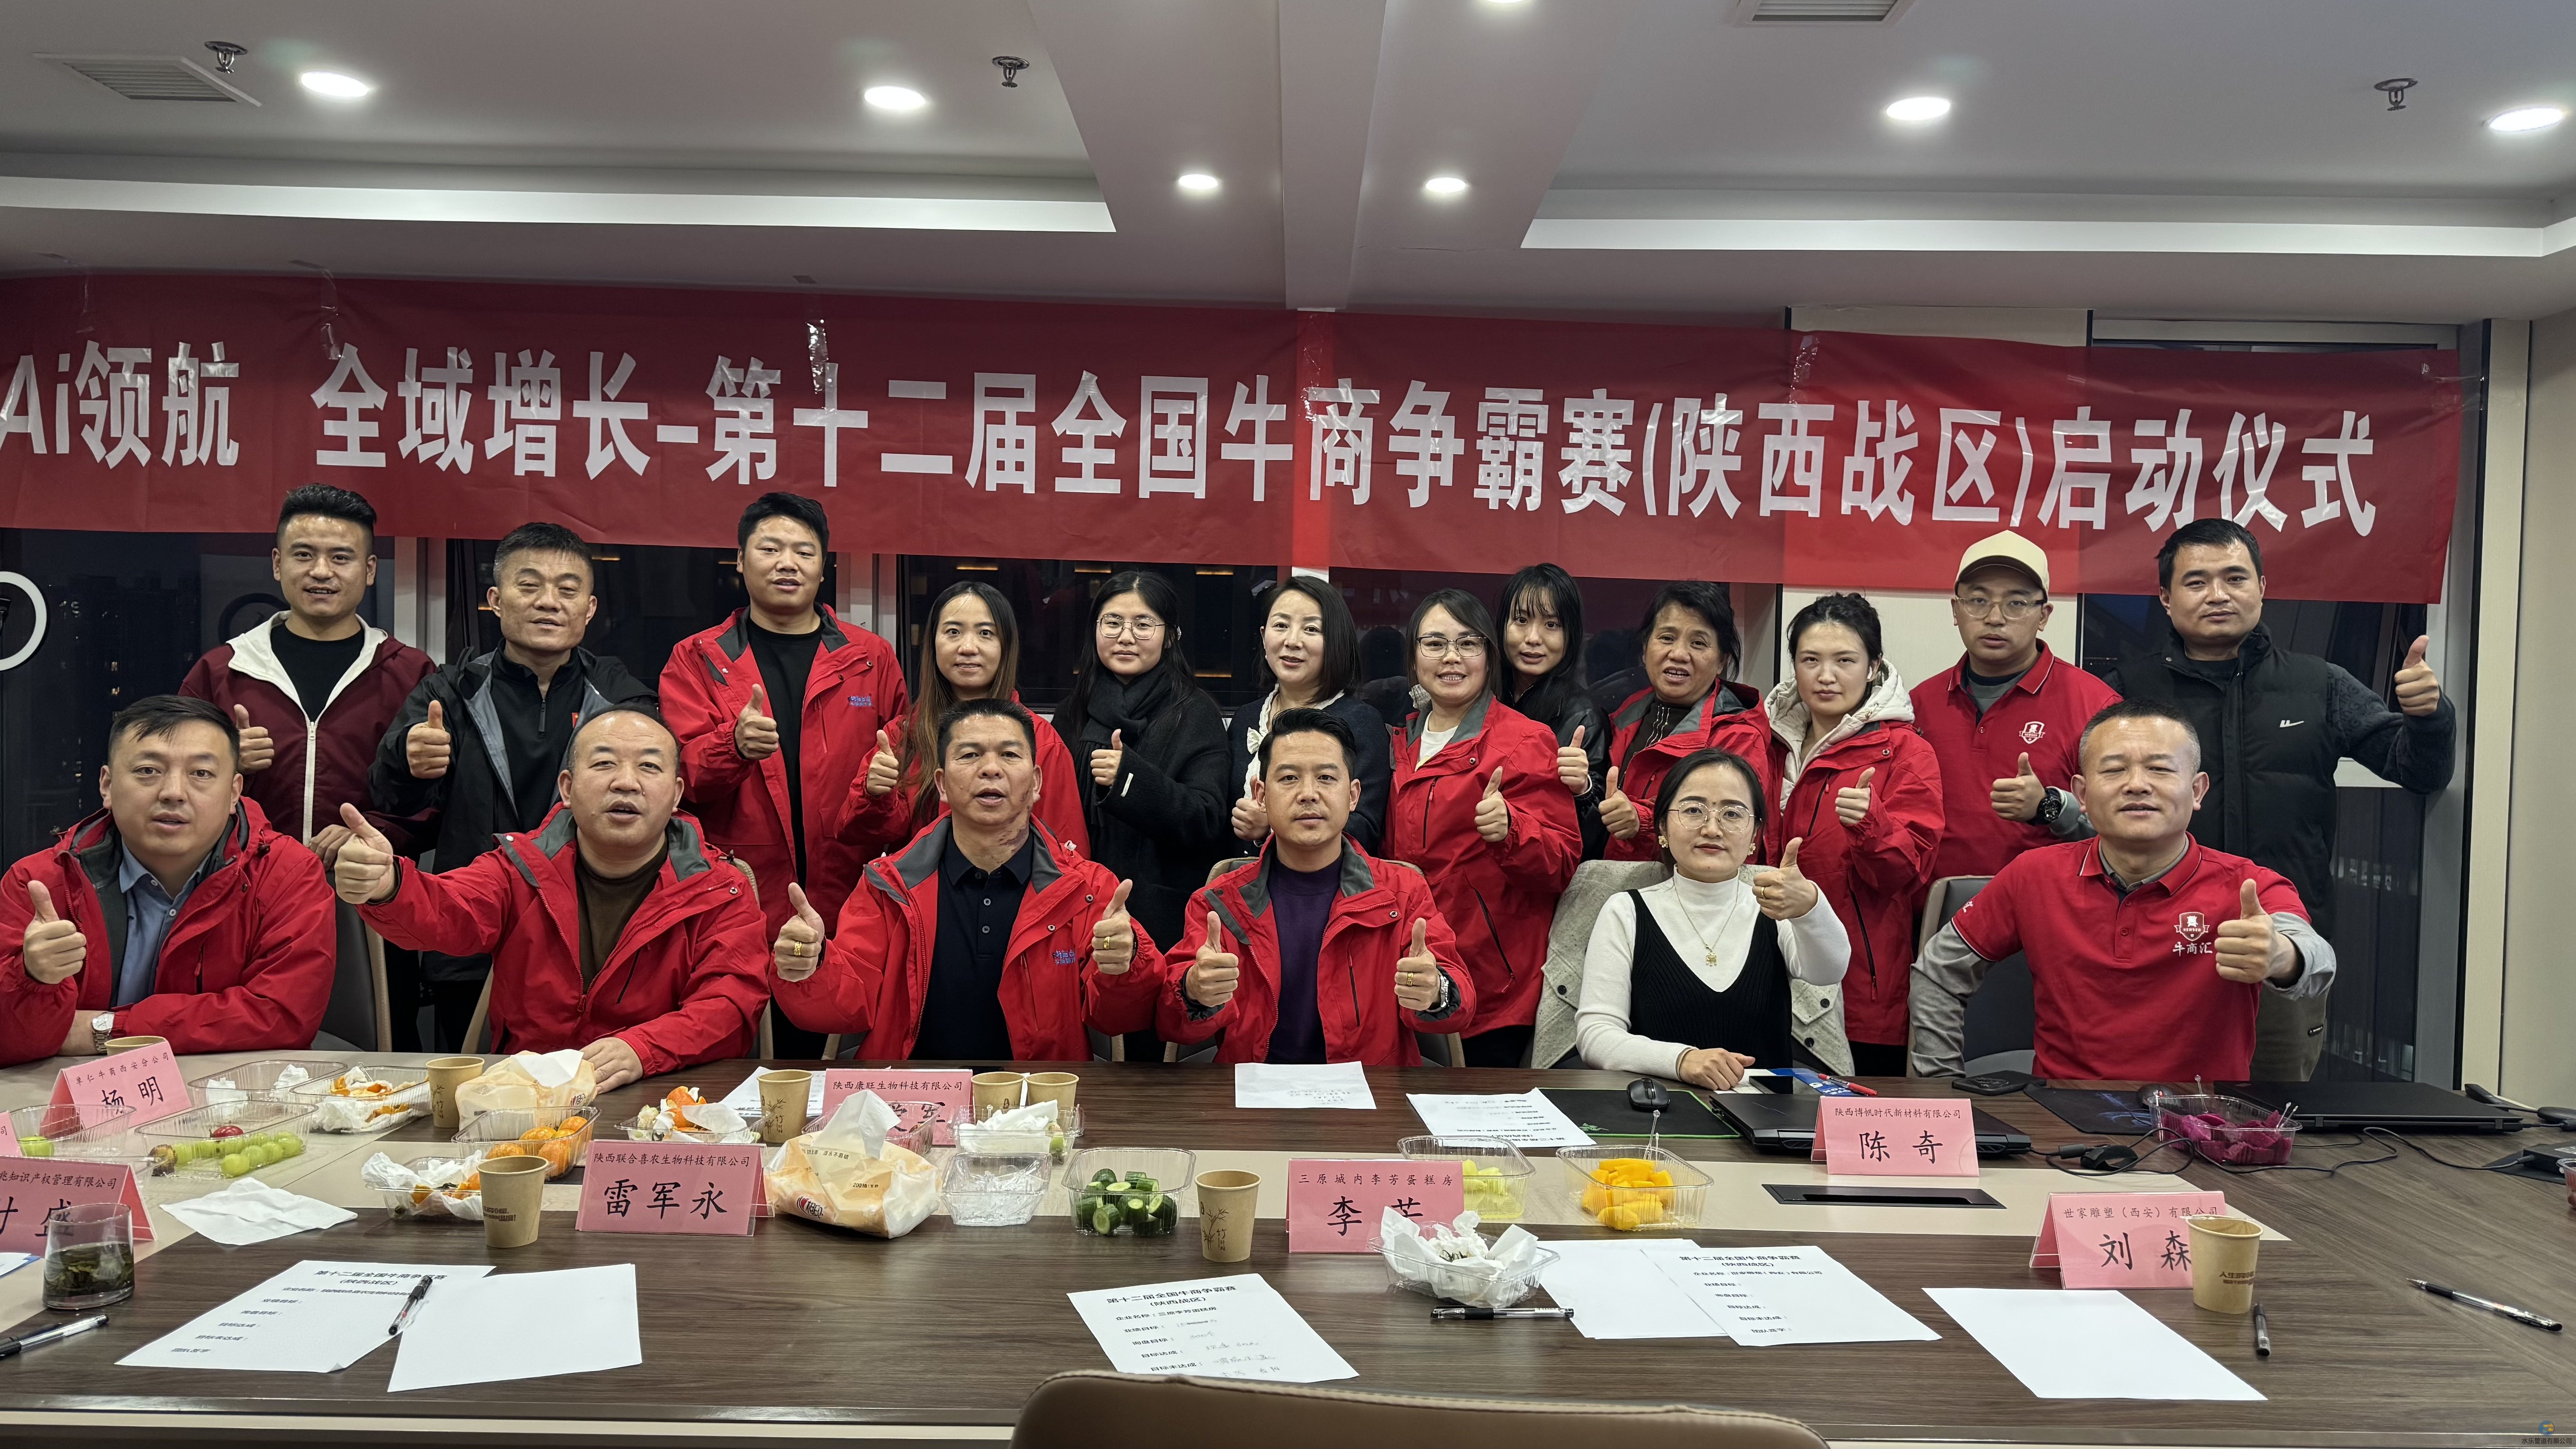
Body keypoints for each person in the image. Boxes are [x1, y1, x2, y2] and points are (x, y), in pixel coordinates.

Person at [2102, 517, 2452, 1081]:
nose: (2218, 594)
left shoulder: (2321, 684)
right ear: (2166, 598)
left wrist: (2428, 717)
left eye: (2235, 578)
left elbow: (2418, 770)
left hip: (2282, 951)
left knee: (2274, 1118)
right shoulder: (2126, 693)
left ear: (2263, 587)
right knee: (2140, 1110)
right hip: (2156, 950)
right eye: (2196, 582)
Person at [336, 707, 768, 1089]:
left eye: (649, 767)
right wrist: (390, 884)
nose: (626, 782)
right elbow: (449, 910)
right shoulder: (520, 867)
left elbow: (730, 1007)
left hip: (667, 1098)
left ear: (675, 795)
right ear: (567, 787)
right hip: (530, 1099)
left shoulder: (719, 888)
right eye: (604, 763)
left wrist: (642, 1049)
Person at [1910, 701, 2336, 1084]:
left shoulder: (2249, 885)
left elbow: (2319, 961)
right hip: (2059, 1119)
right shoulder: (2033, 875)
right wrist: (1941, 1090)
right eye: (2114, 770)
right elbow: (1937, 972)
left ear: (2197, 790)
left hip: (2199, 1122)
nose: (2137, 784)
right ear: (2082, 794)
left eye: (2160, 769)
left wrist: (2283, 956)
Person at [370, 522, 656, 1050]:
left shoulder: (621, 698)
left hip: (585, 939)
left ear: (589, 609)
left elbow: (655, 794)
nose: (549, 602)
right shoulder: (450, 691)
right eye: (530, 586)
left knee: (581, 1086)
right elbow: (391, 800)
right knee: (472, 1087)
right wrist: (408, 761)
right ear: (496, 601)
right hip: (470, 934)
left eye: (567, 589)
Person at [179, 485, 439, 1048]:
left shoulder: (411, 673)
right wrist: (220, 765)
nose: (322, 571)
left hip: (368, 901)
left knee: (379, 1057)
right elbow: (172, 789)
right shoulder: (223, 671)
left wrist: (370, 834)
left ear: (369, 570)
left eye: (341, 557)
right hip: (239, 899)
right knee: (236, 1047)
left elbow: (438, 804)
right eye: (304, 555)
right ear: (278, 564)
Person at [769, 699, 1161, 1060]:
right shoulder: (889, 885)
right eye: (970, 754)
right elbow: (845, 1005)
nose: (991, 769)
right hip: (910, 1101)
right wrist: (810, 965)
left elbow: (1122, 1017)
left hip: (1039, 1103)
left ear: (1037, 782)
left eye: (1009, 754)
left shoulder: (1087, 889)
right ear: (941, 784)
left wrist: (1124, 966)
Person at [660, 493, 906, 1058]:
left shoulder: (871, 658)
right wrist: (732, 747)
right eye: (770, 549)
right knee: (740, 1066)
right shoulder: (696, 658)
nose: (787, 563)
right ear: (740, 561)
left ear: (824, 567)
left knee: (839, 1065)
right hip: (737, 898)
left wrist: (881, 792)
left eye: (804, 551)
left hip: (850, 897)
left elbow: (900, 797)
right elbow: (679, 782)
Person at [0, 696, 336, 1065]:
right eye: (148, 770)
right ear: (107, 785)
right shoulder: (40, 883)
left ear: (234, 792)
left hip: (229, 1092)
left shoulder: (288, 874)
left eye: (201, 773)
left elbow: (282, 1016)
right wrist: (30, 976)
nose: (174, 792)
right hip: (69, 1096)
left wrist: (106, 1030)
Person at [1159, 709, 1474, 1066]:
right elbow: (1171, 1021)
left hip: (1371, 1092)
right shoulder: (1219, 902)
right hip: (1253, 1092)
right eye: (1289, 778)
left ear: (1353, 795)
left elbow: (1461, 1004)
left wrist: (1436, 991)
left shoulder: (1403, 893)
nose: (1309, 794)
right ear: (1260, 794)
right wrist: (1195, 990)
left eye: (1326, 777)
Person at [1384, 590, 1580, 1067]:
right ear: (1414, 658)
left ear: (1490, 657)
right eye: (1435, 643)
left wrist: (1511, 829)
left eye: (1468, 643)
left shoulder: (1525, 739)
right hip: (1408, 971)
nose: (1451, 657)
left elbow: (1562, 863)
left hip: (1491, 983)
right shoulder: (1398, 739)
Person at [1577, 748, 1848, 1087]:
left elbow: (1829, 971)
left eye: (1732, 814)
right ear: (1662, 826)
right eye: (1694, 810)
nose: (1712, 828)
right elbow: (1596, 1036)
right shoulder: (1625, 911)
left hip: (1768, 1112)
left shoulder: (1776, 909)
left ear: (1755, 835)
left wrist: (1811, 906)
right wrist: (1681, 1061)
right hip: (1658, 1110)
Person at [1759, 593, 1944, 1077]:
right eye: (1810, 660)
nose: (1826, 675)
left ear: (1874, 666)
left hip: (1859, 988)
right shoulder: (1762, 743)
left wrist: (1871, 824)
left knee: (1853, 1121)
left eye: (1845, 660)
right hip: (1761, 979)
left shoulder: (1906, 752)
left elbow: (1908, 873)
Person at [1909, 530, 2121, 881]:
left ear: (2044, 616)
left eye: (2016, 603)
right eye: (1978, 600)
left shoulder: (2096, 706)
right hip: (1933, 907)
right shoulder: (1919, 704)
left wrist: (2050, 807)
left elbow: (2127, 827)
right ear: (1956, 610)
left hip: (2045, 904)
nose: (1994, 617)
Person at [1055, 570, 1231, 966]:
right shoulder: (1073, 711)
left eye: (1143, 624)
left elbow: (1207, 819)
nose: (1126, 636)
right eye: (1113, 622)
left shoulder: (1195, 712)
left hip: (1159, 917)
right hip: (1077, 906)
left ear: (1170, 637)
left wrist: (1129, 780)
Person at [843, 580, 1085, 864]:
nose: (968, 647)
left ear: (1006, 646)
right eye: (953, 632)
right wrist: (874, 794)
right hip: (921, 890)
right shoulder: (903, 735)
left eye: (985, 633)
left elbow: (1066, 858)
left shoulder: (1041, 742)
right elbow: (859, 835)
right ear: (933, 643)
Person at [1596, 582, 1766, 863]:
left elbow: (1736, 830)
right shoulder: (1624, 715)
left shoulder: (1738, 737)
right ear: (1645, 649)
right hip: (1616, 881)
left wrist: (1642, 822)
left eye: (1698, 643)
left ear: (1722, 660)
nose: (1678, 654)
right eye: (1667, 638)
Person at [1226, 575, 1391, 854]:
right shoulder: (1246, 718)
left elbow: (1365, 827)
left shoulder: (1361, 722)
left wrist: (1272, 826)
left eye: (1311, 629)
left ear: (1336, 642)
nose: (1292, 641)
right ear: (1264, 637)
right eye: (1281, 626)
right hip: (1241, 879)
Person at [1495, 564, 1610, 861]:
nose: (1533, 638)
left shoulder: (1584, 715)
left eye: (1551, 624)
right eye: (1521, 620)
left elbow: (1593, 838)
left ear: (1571, 634)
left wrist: (1584, 789)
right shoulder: (1482, 695)